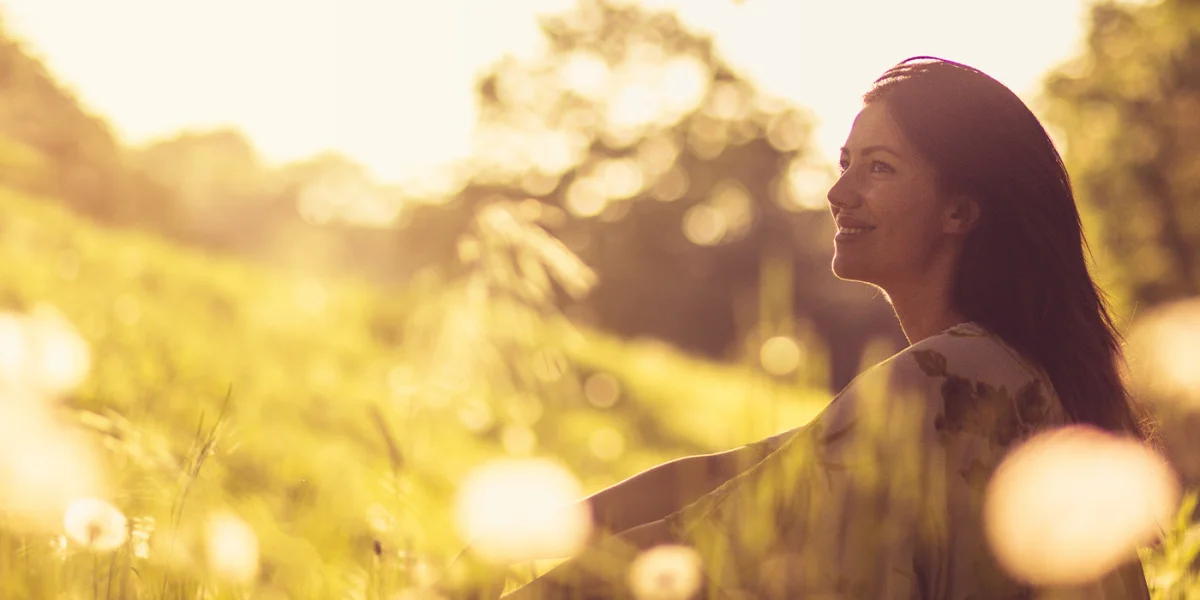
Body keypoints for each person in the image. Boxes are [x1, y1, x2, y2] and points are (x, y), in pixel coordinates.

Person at [489, 56, 1153, 599]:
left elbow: (721, 531)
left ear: (959, 211)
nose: (839, 193)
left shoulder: (947, 377)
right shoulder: (999, 371)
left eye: (879, 168)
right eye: (845, 163)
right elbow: (730, 473)